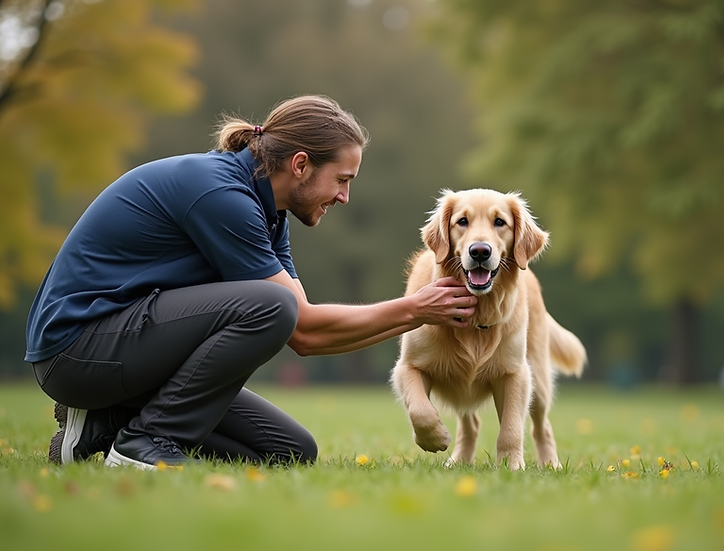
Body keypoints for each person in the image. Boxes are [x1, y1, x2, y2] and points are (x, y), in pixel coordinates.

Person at [25, 95, 477, 470]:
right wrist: (417, 308)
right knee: (270, 306)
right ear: (300, 164)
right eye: (341, 180)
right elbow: (298, 323)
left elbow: (306, 335)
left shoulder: (270, 212)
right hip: (75, 351)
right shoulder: (221, 195)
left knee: (289, 453)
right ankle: (145, 444)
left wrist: (418, 310)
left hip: (123, 354)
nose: (344, 196)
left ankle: (104, 425)